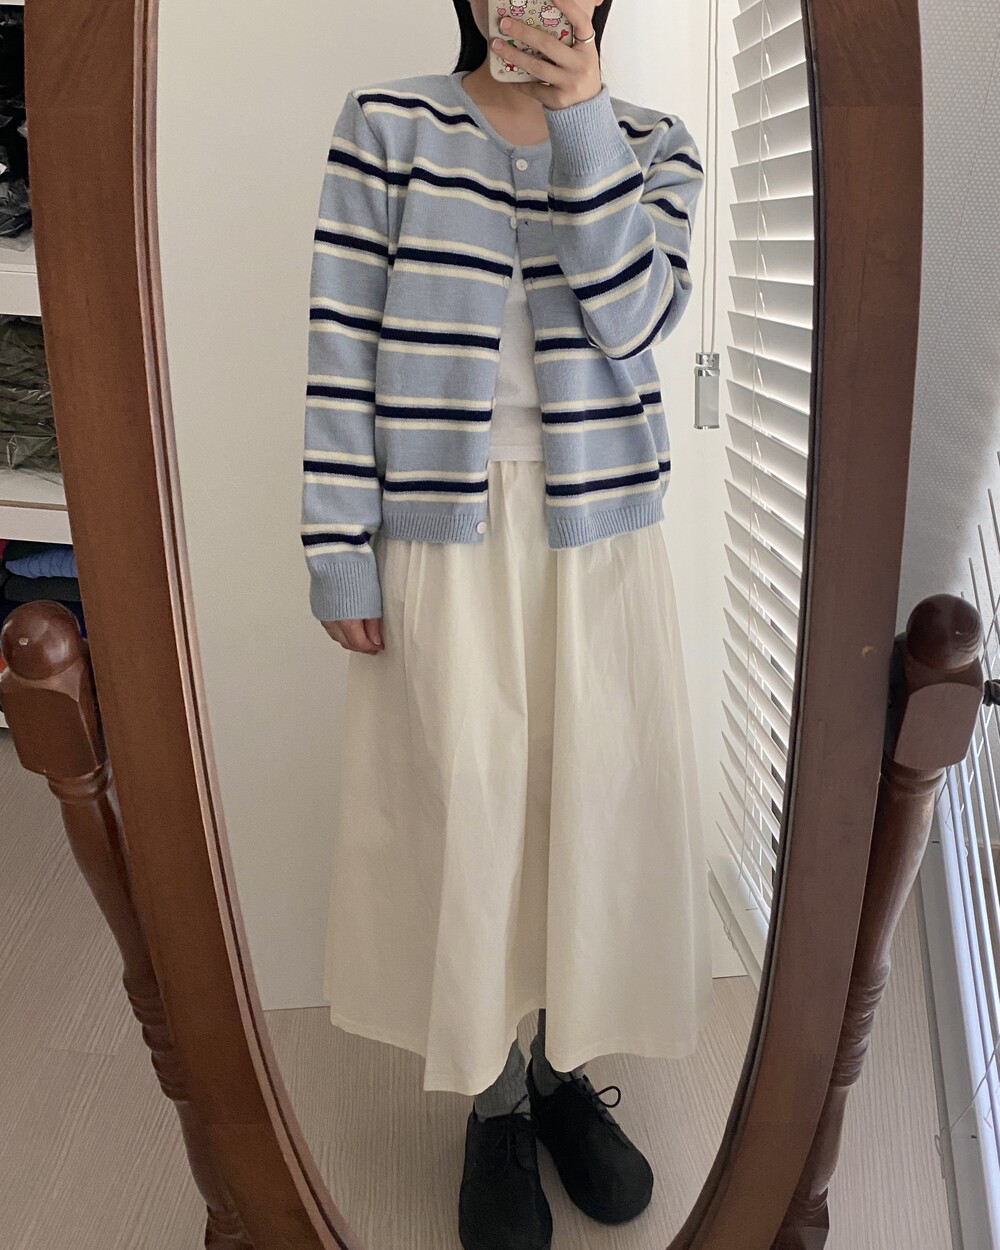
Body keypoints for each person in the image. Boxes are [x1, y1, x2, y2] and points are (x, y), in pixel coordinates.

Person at [300, 2, 713, 1247]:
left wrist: (583, 118)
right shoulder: (386, 123)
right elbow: (339, 340)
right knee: (466, 815)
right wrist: (338, 551)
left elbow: (633, 320)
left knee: (588, 810)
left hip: (600, 539)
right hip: (442, 535)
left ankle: (557, 1069)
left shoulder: (653, 140)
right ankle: (492, 1101)